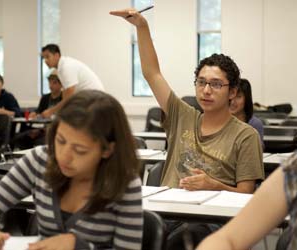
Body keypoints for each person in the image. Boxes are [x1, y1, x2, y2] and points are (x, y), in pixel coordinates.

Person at [110, 8, 264, 249]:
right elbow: (152, 74)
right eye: (201, 83)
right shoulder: (182, 116)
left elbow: (246, 194)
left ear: (232, 92)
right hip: (165, 211)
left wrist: (214, 184)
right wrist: (142, 27)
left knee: (181, 240)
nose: (206, 90)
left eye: (216, 84)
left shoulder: (246, 135)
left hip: (210, 220)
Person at [0, 90, 143, 250]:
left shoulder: (125, 183)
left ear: (107, 149)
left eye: (80, 150)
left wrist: (79, 247)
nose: (64, 156)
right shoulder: (40, 160)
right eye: (60, 141)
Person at [196, 153, 297, 250]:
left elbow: (245, 191)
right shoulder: (292, 172)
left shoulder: (246, 136)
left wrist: (215, 186)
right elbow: (228, 239)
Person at [40, 44, 105, 118]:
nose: (45, 61)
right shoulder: (60, 69)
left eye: (48, 57)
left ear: (57, 55)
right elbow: (65, 92)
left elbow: (69, 95)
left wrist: (51, 111)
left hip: (94, 100)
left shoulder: (66, 67)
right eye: (44, 58)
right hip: (88, 99)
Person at [14, 70, 63, 149]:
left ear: (61, 85)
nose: (51, 85)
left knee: (42, 140)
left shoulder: (64, 98)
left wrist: (41, 130)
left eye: (54, 83)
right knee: (23, 137)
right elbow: (39, 111)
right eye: (50, 82)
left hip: (55, 130)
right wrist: (34, 113)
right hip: (41, 128)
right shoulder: (45, 98)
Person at [230, 78, 264, 147]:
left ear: (247, 99)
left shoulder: (254, 124)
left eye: (238, 97)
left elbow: (256, 153)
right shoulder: (220, 121)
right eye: (230, 96)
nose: (233, 102)